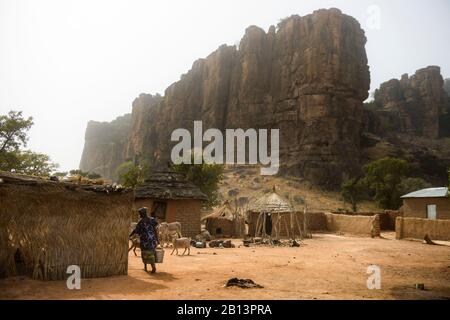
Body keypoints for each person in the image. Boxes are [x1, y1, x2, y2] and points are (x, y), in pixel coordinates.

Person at [130, 207, 159, 273]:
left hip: (144, 241)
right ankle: (153, 267)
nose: (140, 215)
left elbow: (136, 230)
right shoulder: (152, 220)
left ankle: (145, 267)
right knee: (151, 253)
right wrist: (157, 240)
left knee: (144, 254)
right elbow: (155, 229)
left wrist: (130, 235)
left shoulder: (141, 222)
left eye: (140, 214)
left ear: (143, 214)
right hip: (152, 240)